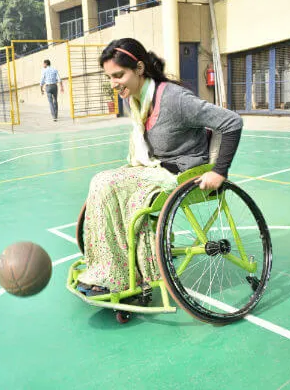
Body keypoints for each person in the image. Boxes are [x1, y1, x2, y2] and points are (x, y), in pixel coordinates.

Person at [76, 38, 243, 296]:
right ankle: (115, 268)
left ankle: (123, 274)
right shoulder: (137, 99)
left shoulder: (175, 100)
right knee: (101, 181)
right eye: (109, 77)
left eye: (118, 75)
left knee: (108, 184)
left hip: (184, 173)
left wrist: (219, 171)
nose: (113, 83)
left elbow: (232, 122)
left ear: (139, 69)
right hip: (157, 167)